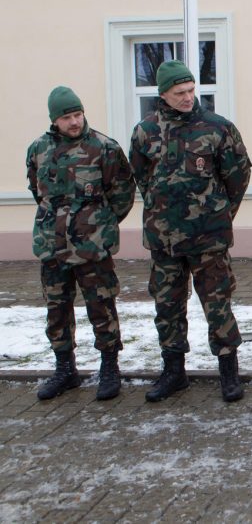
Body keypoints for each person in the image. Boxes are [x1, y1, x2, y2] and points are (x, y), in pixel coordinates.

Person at [129, 60, 252, 403]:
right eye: (179, 92)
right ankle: (173, 372)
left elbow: (238, 176)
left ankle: (229, 371)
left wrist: (219, 213)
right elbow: (141, 178)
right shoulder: (145, 132)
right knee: (167, 305)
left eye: (190, 90)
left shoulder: (217, 128)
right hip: (164, 239)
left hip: (208, 237)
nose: (187, 97)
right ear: (163, 94)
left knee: (218, 305)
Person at [26, 86, 136, 401]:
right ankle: (65, 369)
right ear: (54, 120)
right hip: (52, 246)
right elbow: (37, 189)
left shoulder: (104, 148)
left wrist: (98, 223)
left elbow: (122, 195)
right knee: (56, 308)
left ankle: (109, 368)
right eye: (66, 117)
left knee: (101, 305)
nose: (74, 122)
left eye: (77, 114)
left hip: (92, 246)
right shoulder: (38, 149)